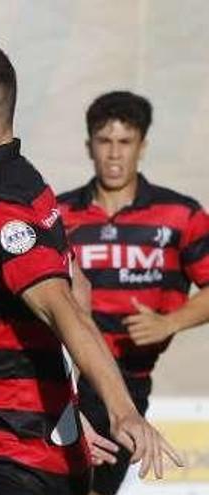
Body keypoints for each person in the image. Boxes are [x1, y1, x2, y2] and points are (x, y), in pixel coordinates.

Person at [0, 37, 181, 495]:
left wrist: (121, 411)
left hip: (10, 467)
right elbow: (78, 288)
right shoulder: (21, 184)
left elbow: (62, 308)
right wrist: (63, 413)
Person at [56, 90, 209, 495]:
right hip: (65, 377)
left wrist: (169, 322)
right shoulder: (59, 214)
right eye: (104, 142)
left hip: (127, 380)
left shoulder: (180, 214)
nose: (114, 154)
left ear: (143, 146)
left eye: (125, 142)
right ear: (90, 146)